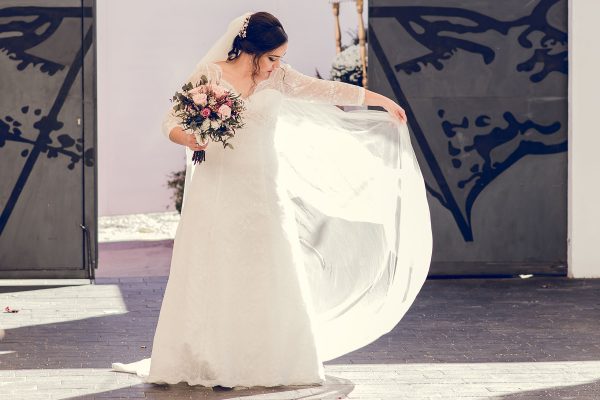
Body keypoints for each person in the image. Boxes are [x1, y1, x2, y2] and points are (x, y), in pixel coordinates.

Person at [111, 11, 432, 390]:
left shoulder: (279, 78)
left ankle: (265, 358)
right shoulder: (210, 74)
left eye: (279, 59)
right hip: (217, 187)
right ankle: (212, 359)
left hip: (263, 188)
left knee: (266, 268)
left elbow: (324, 90)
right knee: (214, 267)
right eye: (272, 58)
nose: (276, 66)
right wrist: (190, 139)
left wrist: (377, 99)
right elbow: (170, 122)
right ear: (250, 50)